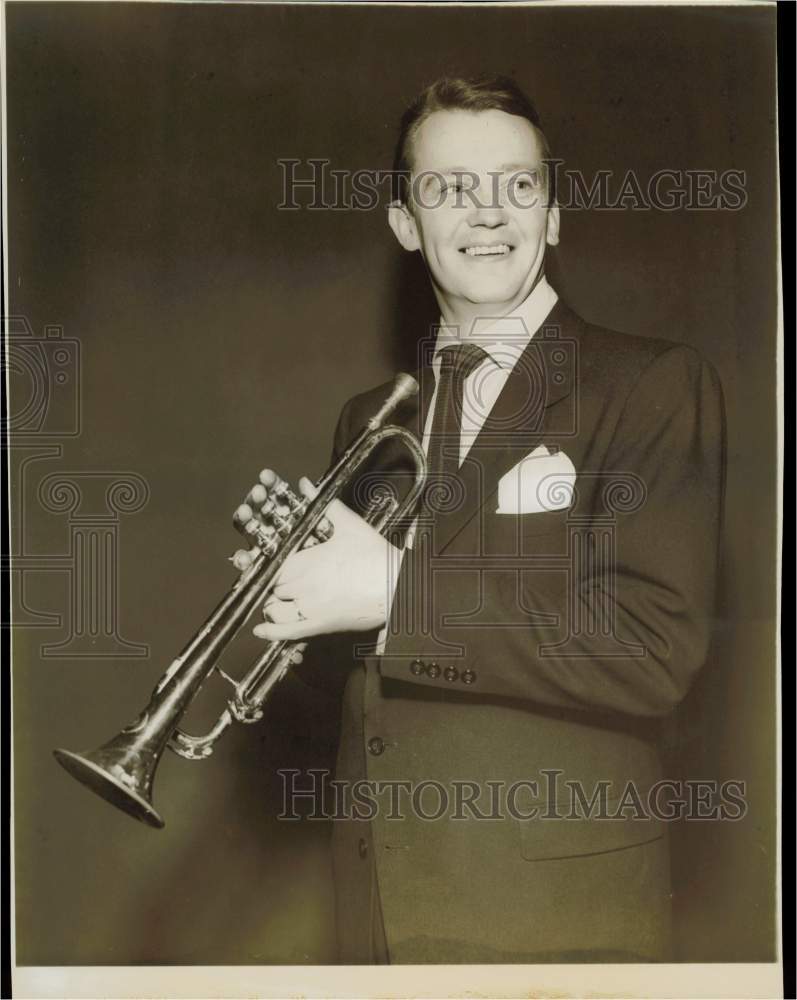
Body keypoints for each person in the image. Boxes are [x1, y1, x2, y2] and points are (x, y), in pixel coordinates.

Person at [253, 76, 725, 964]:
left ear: (551, 216)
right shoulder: (372, 418)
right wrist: (289, 610)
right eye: (448, 188)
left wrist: (394, 592)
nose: (487, 212)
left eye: (517, 185)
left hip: (556, 911)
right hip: (377, 910)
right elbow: (377, 683)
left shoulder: (651, 384)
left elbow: (650, 649)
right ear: (404, 226)